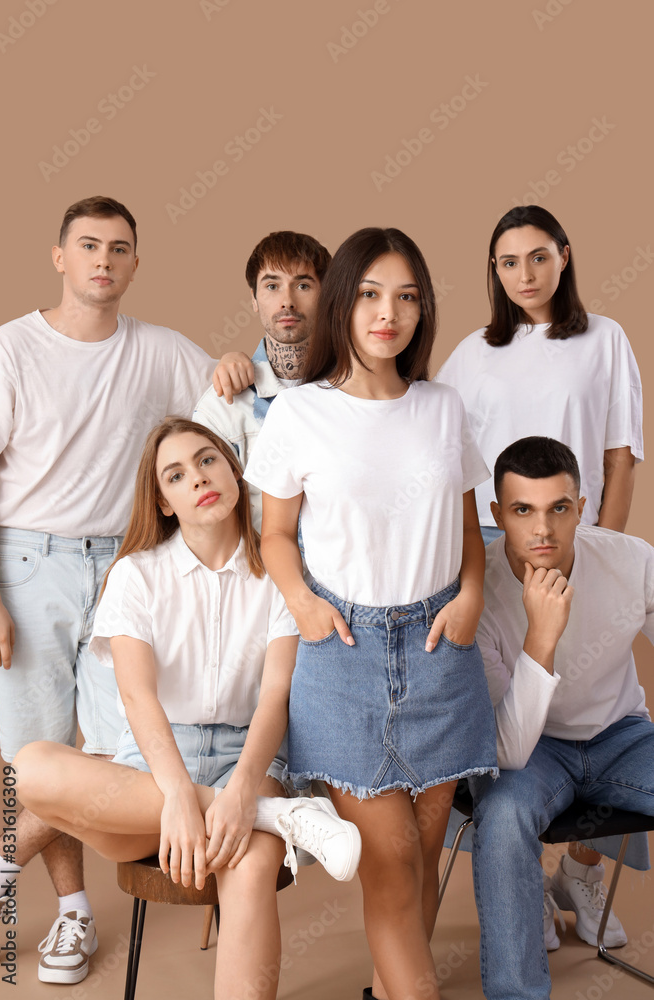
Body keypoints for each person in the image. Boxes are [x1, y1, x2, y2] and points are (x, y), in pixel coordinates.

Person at [0, 196, 252, 983]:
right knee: (29, 755)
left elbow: (223, 407)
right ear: (60, 256)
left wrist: (239, 367)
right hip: (28, 563)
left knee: (105, 752)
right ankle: (71, 913)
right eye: (89, 245)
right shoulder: (9, 349)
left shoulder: (161, 349)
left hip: (128, 567)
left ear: (135, 264)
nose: (104, 260)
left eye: (121, 248)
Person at [12, 417, 360, 994]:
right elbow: (136, 694)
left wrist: (246, 789)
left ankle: (267, 811)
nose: (198, 478)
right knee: (30, 767)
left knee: (248, 873)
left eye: (207, 460)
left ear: (232, 468)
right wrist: (175, 793)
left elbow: (277, 693)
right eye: (175, 475)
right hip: (152, 769)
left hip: (248, 759)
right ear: (164, 502)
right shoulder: (136, 575)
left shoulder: (279, 572)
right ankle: (289, 818)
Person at [245, 228, 498, 1000]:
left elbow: (465, 536)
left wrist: (471, 599)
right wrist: (304, 605)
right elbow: (276, 535)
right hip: (342, 653)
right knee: (388, 861)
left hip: (438, 652)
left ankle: (393, 990)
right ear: (341, 302)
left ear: (422, 310)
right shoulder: (298, 415)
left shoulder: (442, 407)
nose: (389, 313)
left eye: (408, 296)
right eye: (370, 293)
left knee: (421, 856)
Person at [470, 435, 654, 1000]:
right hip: (533, 749)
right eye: (523, 510)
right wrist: (541, 639)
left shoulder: (631, 559)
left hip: (621, 736)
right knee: (501, 818)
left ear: (580, 509)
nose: (542, 530)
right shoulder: (474, 594)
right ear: (498, 515)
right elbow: (507, 750)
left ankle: (574, 880)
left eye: (559, 509)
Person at [435, 205, 643, 544]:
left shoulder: (605, 338)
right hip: (489, 532)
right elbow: (439, 451)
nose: (525, 276)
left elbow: (621, 456)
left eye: (538, 258)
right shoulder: (472, 350)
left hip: (573, 532)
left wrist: (606, 546)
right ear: (495, 269)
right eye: (510, 263)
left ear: (563, 257)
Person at [193, 231, 331, 529]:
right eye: (272, 286)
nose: (287, 302)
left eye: (303, 285)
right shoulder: (223, 407)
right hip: (259, 572)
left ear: (328, 295)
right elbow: (209, 524)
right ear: (254, 300)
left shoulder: (358, 390)